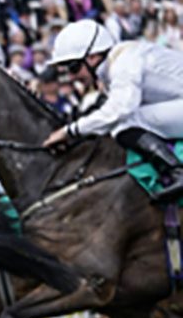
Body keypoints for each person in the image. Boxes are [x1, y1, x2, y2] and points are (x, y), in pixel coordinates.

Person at [43, 19, 183, 201]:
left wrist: (69, 131)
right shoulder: (115, 63)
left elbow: (119, 110)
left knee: (124, 122)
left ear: (93, 57)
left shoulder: (125, 62)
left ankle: (176, 171)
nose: (71, 77)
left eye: (74, 68)